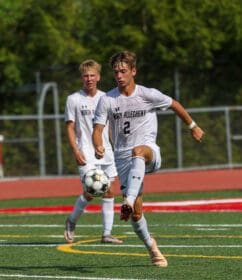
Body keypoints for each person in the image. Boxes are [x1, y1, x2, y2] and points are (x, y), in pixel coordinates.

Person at [92, 51, 204, 267]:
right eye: (116, 72)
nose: (119, 75)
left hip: (149, 151)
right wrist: (98, 144)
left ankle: (128, 200)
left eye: (123, 71)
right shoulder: (107, 99)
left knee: (139, 151)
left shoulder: (147, 94)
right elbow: (98, 129)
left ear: (133, 71)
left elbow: (174, 104)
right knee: (135, 216)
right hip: (123, 159)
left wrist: (192, 126)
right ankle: (152, 247)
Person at [64, 59, 122, 245]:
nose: (89, 79)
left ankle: (106, 234)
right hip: (86, 152)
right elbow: (70, 128)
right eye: (85, 75)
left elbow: (111, 127)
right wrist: (76, 151)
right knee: (92, 190)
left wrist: (117, 148)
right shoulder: (73, 99)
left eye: (92, 75)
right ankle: (71, 221)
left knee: (109, 191)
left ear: (98, 77)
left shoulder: (107, 98)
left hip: (106, 152)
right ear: (82, 78)